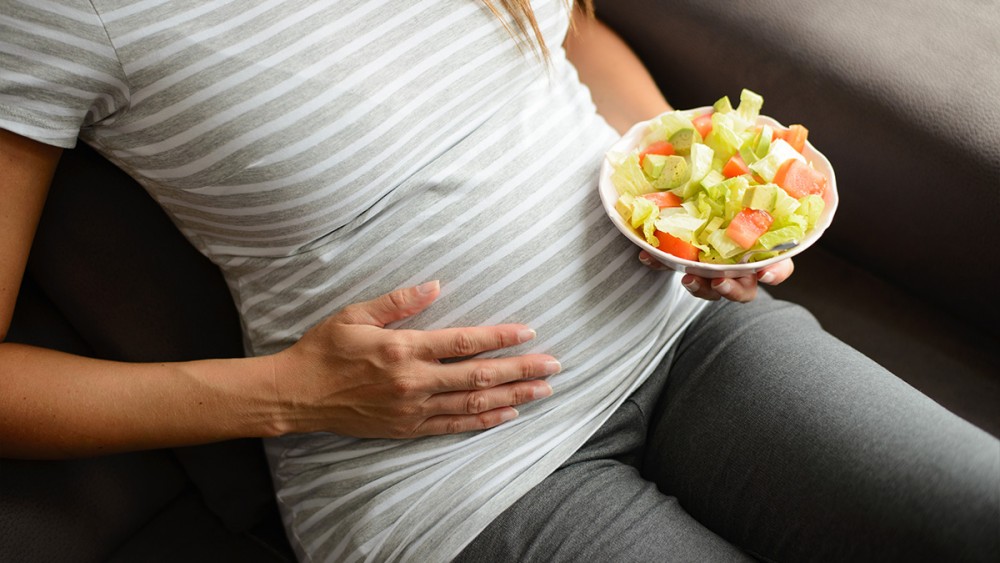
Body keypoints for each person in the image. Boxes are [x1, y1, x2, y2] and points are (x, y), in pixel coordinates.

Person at [0, 1, 996, 561]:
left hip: (681, 330)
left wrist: (697, 194)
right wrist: (288, 394)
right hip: (447, 478)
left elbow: (575, 40)